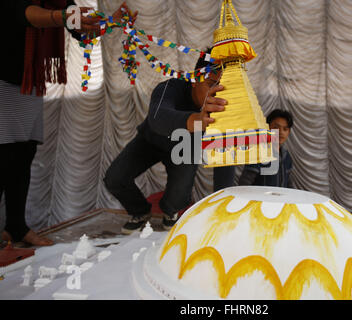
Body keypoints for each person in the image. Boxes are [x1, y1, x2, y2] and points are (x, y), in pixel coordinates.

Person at [0, 1, 134, 246]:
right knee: (5, 156)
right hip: (4, 79)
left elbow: (80, 28)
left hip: (27, 81)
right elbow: (23, 13)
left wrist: (111, 21)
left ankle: (16, 227)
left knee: (23, 154)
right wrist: (62, 16)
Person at [103, 53, 227, 233]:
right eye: (211, 85)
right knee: (115, 178)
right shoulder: (171, 86)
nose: (216, 93)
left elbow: (225, 161)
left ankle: (171, 212)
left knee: (178, 197)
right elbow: (157, 117)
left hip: (186, 148)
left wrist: (223, 204)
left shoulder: (226, 107)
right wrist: (196, 120)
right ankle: (140, 211)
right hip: (151, 140)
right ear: (194, 79)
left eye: (223, 88)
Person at [238, 109, 294, 188]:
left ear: (289, 132)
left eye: (285, 129)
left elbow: (288, 183)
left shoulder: (286, 156)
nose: (281, 132)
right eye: (276, 127)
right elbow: (244, 184)